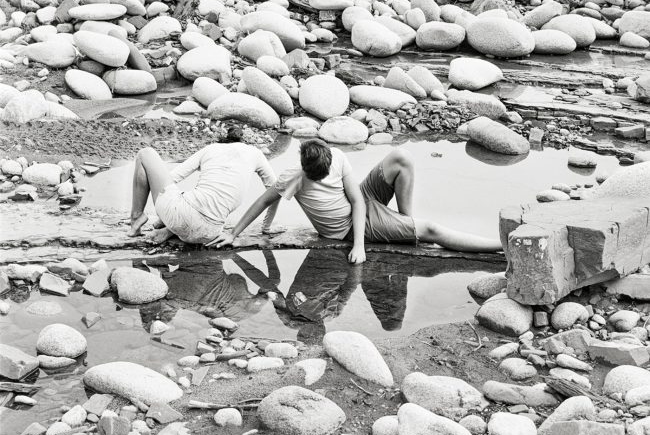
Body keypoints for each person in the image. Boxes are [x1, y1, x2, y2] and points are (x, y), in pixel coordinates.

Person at [209, 139, 502, 260]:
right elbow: (262, 201)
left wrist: (360, 246)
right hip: (346, 227)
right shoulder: (292, 178)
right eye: (317, 178)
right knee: (432, 230)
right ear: (304, 167)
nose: (323, 179)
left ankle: (406, 222)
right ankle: (502, 246)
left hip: (361, 203)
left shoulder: (336, 156)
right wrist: (234, 234)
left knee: (402, 156)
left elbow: (358, 200)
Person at [128, 127, 278, 244]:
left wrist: (163, 214)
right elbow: (276, 189)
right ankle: (170, 230)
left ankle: (137, 217)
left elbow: (172, 178)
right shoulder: (256, 153)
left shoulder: (211, 149)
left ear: (224, 140)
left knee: (145, 153)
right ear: (243, 142)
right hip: (211, 233)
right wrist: (266, 227)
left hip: (180, 215)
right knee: (200, 206)